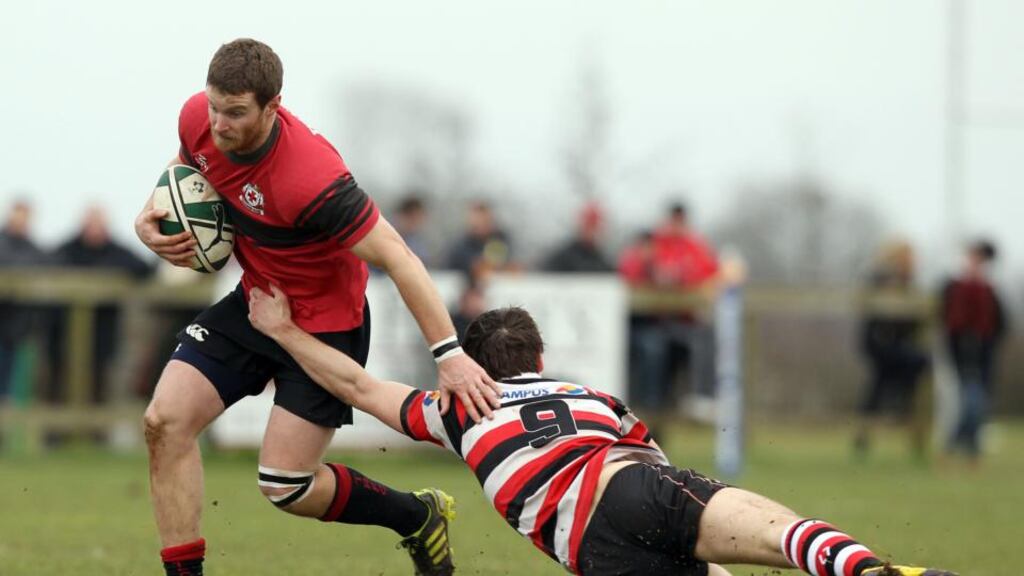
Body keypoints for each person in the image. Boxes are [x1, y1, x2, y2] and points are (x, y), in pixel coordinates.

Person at [248, 285, 958, 576]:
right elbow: (659, 471)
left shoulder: (458, 409)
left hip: (589, 547)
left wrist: (281, 330)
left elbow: (356, 384)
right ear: (540, 361)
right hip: (634, 485)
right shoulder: (594, 396)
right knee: (783, 534)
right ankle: (871, 569)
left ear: (475, 367)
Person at [133, 39, 499, 576]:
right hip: (256, 303)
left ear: (272, 106)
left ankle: (415, 515)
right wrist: (151, 213)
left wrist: (449, 355)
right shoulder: (199, 119)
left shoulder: (313, 179)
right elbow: (187, 166)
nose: (220, 124)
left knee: (285, 485)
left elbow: (399, 257)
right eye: (214, 107)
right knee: (164, 421)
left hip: (327, 325)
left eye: (235, 113)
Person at [853, 240, 930, 458]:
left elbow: (915, 315)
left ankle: (869, 430)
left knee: (880, 385)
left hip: (898, 345)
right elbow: (871, 310)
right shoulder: (879, 280)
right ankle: (893, 412)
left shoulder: (908, 283)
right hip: (880, 343)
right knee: (882, 382)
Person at [940, 239, 1008, 463]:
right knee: (971, 400)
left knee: (977, 401)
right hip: (962, 351)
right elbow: (947, 320)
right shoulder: (954, 287)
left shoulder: (990, 290)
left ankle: (962, 447)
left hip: (983, 353)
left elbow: (1000, 324)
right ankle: (962, 446)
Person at [542, 201, 614, 273]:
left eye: (596, 226)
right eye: (590, 225)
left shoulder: (602, 261)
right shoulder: (562, 259)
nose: (594, 232)